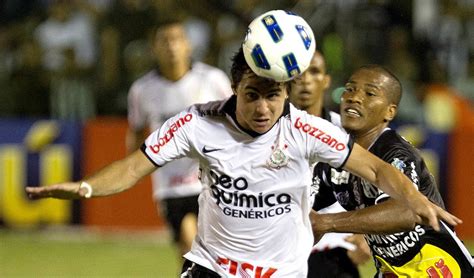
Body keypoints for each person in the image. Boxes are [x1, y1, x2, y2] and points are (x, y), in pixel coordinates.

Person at [26, 48, 462, 277]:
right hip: (212, 268)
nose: (261, 107)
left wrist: (411, 201)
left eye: (273, 96)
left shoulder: (314, 133)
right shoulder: (197, 124)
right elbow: (134, 165)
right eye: (251, 94)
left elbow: (380, 173)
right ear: (233, 87)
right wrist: (84, 187)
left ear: (286, 95)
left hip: (416, 270)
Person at [311, 65, 474, 277]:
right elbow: (307, 213)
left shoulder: (395, 152)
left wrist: (327, 223)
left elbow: (406, 212)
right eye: (350, 89)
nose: (354, 98)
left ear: (390, 111)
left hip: (441, 269)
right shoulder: (335, 157)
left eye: (369, 93)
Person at [126, 17, 232, 262]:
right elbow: (135, 131)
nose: (171, 46)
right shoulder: (142, 90)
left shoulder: (213, 80)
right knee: (189, 249)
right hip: (170, 185)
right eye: (164, 41)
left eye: (177, 39)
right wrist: (133, 169)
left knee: (200, 249)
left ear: (188, 45)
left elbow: (235, 120)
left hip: (212, 179)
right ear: (154, 48)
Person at [289, 50, 370, 278]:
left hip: (334, 250)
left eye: (314, 71)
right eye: (299, 73)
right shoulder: (269, 130)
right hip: (280, 250)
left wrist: (367, 234)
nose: (305, 80)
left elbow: (377, 181)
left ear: (326, 81)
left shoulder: (346, 132)